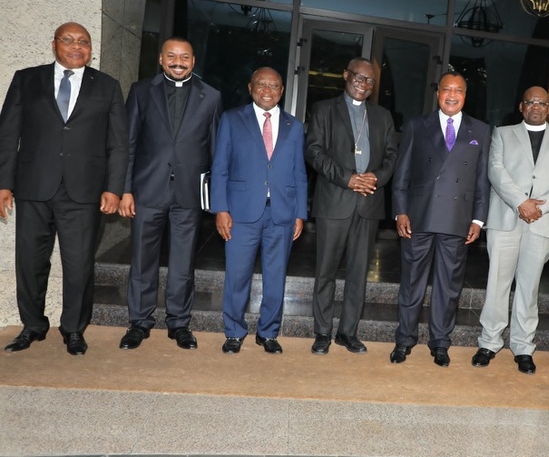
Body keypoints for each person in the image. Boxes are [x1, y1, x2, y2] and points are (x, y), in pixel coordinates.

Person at [0, 22, 128, 356]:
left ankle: (73, 329)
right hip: (33, 187)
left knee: (79, 265)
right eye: (69, 40)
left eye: (83, 42)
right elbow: (8, 135)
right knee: (30, 262)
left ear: (91, 49)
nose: (76, 46)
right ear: (54, 44)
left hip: (84, 192)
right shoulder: (26, 80)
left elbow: (118, 144)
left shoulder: (108, 86)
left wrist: (114, 189)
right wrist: (4, 184)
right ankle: (32, 326)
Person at [118, 37, 222, 351]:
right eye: (172, 56)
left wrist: (215, 198)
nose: (179, 62)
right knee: (142, 260)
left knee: (183, 263)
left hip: (188, 195)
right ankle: (139, 322)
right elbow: (128, 144)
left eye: (185, 57)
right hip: (147, 190)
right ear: (161, 59)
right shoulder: (141, 91)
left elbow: (216, 151)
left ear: (193, 61)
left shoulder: (211, 96)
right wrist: (125, 190)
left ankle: (179, 323)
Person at [473, 87, 549, 375]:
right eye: (530, 102)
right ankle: (489, 342)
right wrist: (521, 202)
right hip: (506, 217)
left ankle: (522, 347)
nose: (535, 106)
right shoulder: (502, 134)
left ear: (548, 108)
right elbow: (495, 170)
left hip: (542, 221)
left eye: (541, 102)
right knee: (497, 283)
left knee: (529, 288)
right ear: (521, 106)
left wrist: (541, 207)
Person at [391, 71, 490, 367]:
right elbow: (401, 174)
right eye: (447, 89)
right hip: (418, 217)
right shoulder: (416, 125)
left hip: (458, 219)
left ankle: (440, 342)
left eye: (458, 90)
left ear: (465, 95)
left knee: (449, 287)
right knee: (412, 283)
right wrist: (400, 211)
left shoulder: (481, 130)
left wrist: (478, 220)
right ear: (438, 94)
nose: (452, 95)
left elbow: (482, 180)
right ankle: (404, 340)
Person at [210, 67, 307, 354]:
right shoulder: (232, 119)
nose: (268, 90)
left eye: (274, 86)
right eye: (261, 85)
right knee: (237, 275)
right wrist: (220, 208)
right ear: (251, 88)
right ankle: (234, 331)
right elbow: (220, 168)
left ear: (282, 91)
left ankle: (268, 332)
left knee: (276, 276)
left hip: (282, 213)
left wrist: (300, 213)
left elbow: (300, 173)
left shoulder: (294, 126)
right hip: (240, 213)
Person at [305, 58, 397, 355]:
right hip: (334, 201)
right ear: (346, 75)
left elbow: (392, 156)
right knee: (326, 271)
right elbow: (314, 152)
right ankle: (322, 332)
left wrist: (376, 178)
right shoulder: (323, 109)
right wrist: (348, 178)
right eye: (359, 77)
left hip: (368, 203)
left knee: (358, 273)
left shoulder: (383, 116)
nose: (363, 84)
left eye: (369, 80)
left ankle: (348, 332)